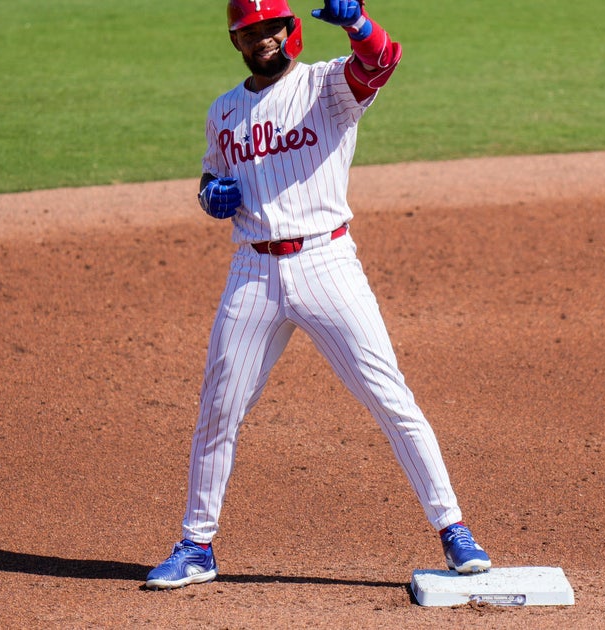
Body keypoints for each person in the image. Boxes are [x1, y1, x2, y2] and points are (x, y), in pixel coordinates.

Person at [145, 0, 491, 590]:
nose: (264, 38)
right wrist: (211, 196)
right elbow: (210, 176)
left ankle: (454, 529)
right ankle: (197, 545)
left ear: (291, 29)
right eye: (250, 31)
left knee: (389, 397)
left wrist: (357, 21)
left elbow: (380, 61)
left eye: (272, 27)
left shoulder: (328, 86)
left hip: (327, 263)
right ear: (237, 40)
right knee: (218, 410)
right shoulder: (224, 111)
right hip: (251, 273)